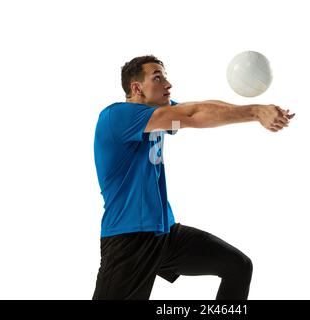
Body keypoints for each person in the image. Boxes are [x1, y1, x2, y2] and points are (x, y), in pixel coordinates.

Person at [92, 55, 295, 300]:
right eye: (158, 78)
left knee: (237, 266)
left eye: (165, 77)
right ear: (136, 88)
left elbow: (202, 110)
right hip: (128, 238)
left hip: (163, 233)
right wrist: (255, 111)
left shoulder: (160, 116)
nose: (168, 84)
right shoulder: (118, 116)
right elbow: (191, 115)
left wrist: (257, 112)